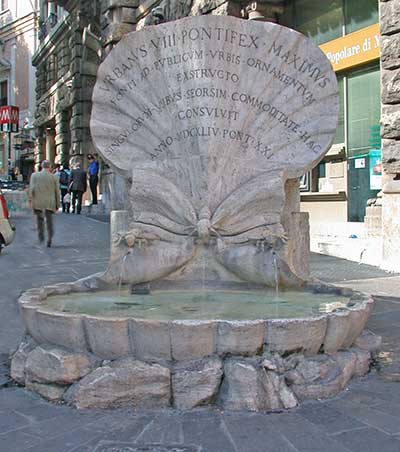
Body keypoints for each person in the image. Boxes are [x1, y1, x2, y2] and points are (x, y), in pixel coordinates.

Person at [28, 160, 60, 247]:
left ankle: (41, 237)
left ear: (42, 166)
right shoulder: (54, 177)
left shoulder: (34, 175)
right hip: (50, 203)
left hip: (38, 202)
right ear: (49, 167)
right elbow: (57, 191)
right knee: (49, 221)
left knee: (39, 221)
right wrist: (58, 204)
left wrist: (30, 200)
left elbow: (31, 189)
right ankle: (49, 238)